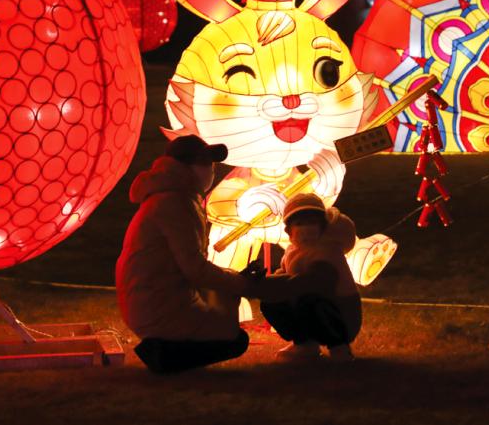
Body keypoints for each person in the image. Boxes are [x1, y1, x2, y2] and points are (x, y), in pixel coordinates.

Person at [116, 135, 252, 373]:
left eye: (211, 164)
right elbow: (195, 269)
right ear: (183, 167)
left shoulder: (170, 197)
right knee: (236, 339)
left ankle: (165, 347)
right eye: (204, 163)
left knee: (223, 314)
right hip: (158, 304)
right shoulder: (175, 203)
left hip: (153, 299)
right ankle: (163, 354)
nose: (210, 170)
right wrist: (239, 282)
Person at [260, 193, 362, 362]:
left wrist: (278, 285)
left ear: (323, 226)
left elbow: (315, 282)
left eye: (312, 222)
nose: (306, 228)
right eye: (300, 223)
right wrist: (265, 284)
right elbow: (284, 273)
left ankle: (339, 346)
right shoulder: (292, 250)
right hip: (307, 308)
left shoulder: (327, 250)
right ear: (289, 229)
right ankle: (304, 344)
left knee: (309, 300)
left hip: (340, 313)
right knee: (271, 302)